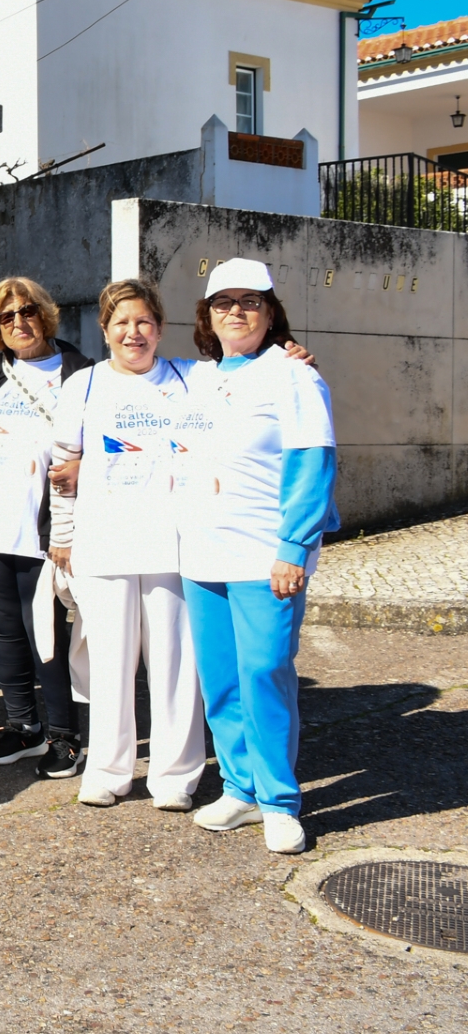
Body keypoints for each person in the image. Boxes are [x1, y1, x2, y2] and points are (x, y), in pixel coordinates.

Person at [178, 259, 337, 856]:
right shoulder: (196, 377)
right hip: (202, 552)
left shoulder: (293, 377)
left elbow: (312, 464)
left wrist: (293, 547)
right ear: (208, 316)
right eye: (224, 302)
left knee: (266, 672)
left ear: (271, 314)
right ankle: (240, 788)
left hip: (264, 554)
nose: (236, 311)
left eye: (250, 301)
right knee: (220, 681)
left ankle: (278, 800)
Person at [47, 277, 208, 812]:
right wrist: (62, 538)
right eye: (122, 323)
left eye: (143, 322)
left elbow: (247, 382)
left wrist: (294, 355)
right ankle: (109, 771)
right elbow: (60, 470)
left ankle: (175, 778)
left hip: (175, 547)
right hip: (104, 545)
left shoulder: (192, 377)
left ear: (160, 328)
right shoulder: (84, 386)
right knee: (108, 665)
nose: (132, 333)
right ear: (105, 330)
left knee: (175, 667)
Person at [0, 277, 92, 777]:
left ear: (46, 313)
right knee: (4, 632)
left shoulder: (80, 372)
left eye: (27, 311)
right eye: (5, 317)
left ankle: (64, 735)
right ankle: (22, 726)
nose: (18, 323)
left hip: (47, 533)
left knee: (48, 635)